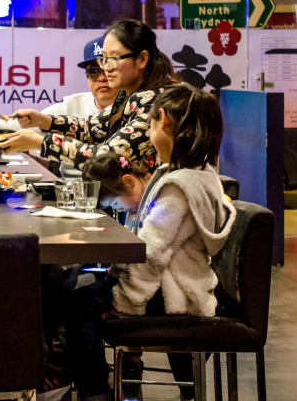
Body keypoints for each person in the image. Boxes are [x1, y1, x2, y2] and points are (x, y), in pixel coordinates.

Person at [66, 84, 237, 401]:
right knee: (86, 290)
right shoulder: (198, 175)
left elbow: (151, 255)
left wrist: (123, 304)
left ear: (163, 119)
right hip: (184, 287)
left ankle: (95, 393)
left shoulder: (178, 186)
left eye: (149, 124)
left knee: (80, 305)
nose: (148, 132)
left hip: (174, 295)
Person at [0, 19, 176, 173]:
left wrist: (40, 142)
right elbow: (89, 128)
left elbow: (106, 159)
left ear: (142, 59)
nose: (106, 69)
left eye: (114, 58)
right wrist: (42, 120)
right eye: (104, 59)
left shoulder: (157, 104)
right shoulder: (129, 98)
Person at [0, 35, 115, 153]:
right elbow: (28, 125)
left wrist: (41, 143)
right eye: (93, 72)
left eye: (109, 70)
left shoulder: (128, 111)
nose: (102, 78)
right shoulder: (71, 105)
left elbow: (105, 160)